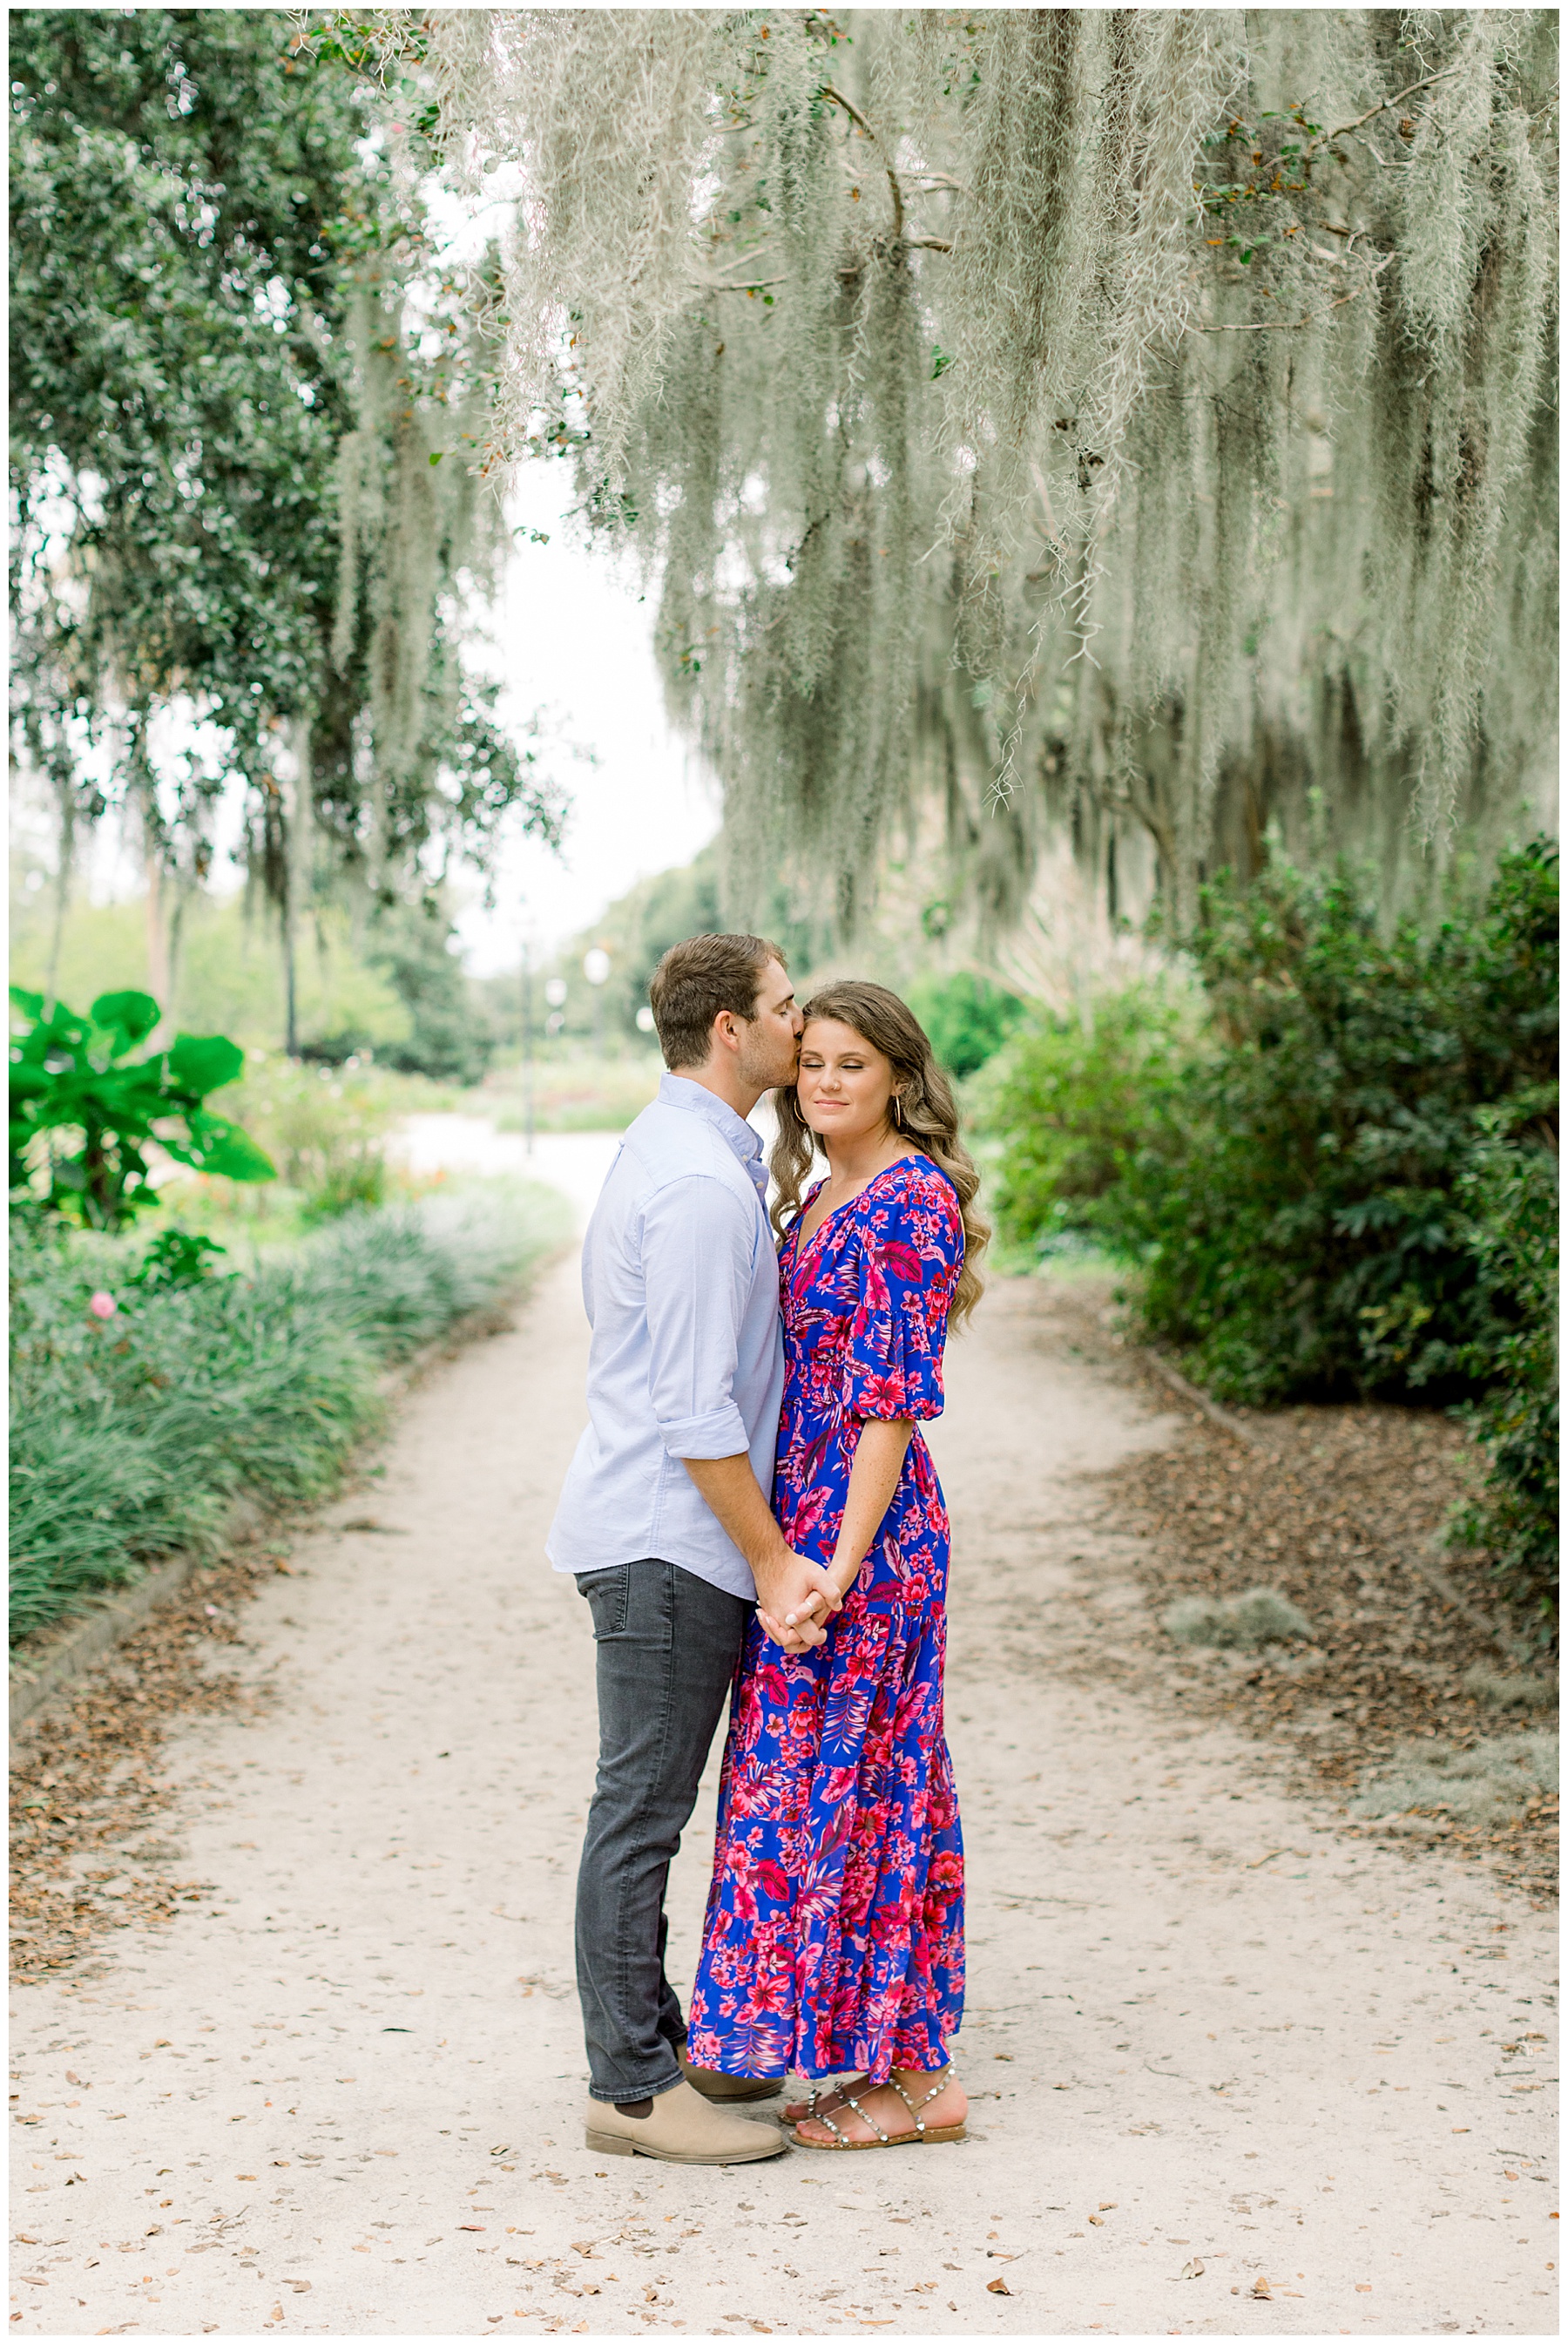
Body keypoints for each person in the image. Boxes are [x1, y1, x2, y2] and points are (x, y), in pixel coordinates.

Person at [547, 932, 842, 2165]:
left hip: (663, 1539)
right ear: (731, 1028)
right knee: (644, 1812)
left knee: (648, 1802)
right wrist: (775, 1560)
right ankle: (627, 2088)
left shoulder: (685, 1150)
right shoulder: (704, 1185)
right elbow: (695, 1412)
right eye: (785, 1007)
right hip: (669, 1546)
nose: (800, 1021)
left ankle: (653, 2048)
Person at [686, 979, 986, 2150]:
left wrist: (834, 1566)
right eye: (810, 1059)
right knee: (813, 1790)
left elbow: (890, 1410)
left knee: (879, 1790)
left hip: (867, 1535)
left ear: (902, 1075)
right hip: (800, 1532)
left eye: (851, 1062)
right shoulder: (818, 1192)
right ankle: (855, 2050)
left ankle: (920, 2081)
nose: (823, 1081)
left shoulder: (910, 1198)